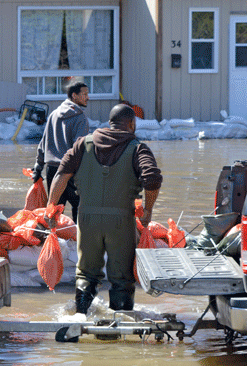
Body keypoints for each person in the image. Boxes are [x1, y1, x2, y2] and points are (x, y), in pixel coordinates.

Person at [44, 104, 162, 314]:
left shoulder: (82, 144)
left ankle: (79, 317)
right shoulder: (137, 148)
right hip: (121, 223)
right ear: (132, 124)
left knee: (86, 274)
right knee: (121, 277)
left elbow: (60, 174)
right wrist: (148, 210)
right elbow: (152, 179)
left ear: (110, 123)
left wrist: (52, 208)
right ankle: (120, 324)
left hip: (86, 221)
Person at [30, 81, 90, 220]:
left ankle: (55, 239)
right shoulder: (80, 118)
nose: (88, 97)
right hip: (70, 171)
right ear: (74, 95)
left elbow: (43, 143)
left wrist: (38, 167)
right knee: (81, 207)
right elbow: (79, 147)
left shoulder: (54, 114)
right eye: (85, 94)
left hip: (52, 171)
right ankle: (77, 239)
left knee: (54, 211)